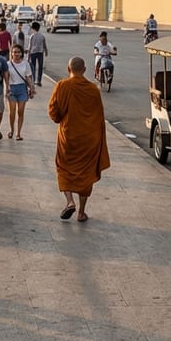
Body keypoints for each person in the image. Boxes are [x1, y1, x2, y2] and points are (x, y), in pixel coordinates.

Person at [48, 57, 111, 222]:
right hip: (89, 139)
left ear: (68, 69)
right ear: (84, 69)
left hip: (68, 138)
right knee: (86, 174)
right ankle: (81, 212)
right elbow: (99, 116)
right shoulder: (93, 89)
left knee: (63, 168)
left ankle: (69, 202)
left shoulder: (62, 86)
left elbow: (53, 113)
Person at [5, 44, 36, 141]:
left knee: (20, 112)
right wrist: (7, 88)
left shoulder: (25, 64)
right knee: (12, 112)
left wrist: (31, 88)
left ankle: (18, 133)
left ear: (21, 53)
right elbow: (6, 78)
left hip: (22, 88)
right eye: (14, 52)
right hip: (12, 89)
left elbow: (28, 77)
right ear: (11, 53)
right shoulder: (8, 64)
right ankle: (11, 130)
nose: (16, 54)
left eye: (18, 52)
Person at [27, 21, 48, 86]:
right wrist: (46, 51)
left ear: (33, 28)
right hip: (40, 52)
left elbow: (30, 46)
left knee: (33, 66)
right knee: (40, 67)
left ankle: (33, 80)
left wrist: (28, 56)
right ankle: (39, 81)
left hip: (33, 52)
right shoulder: (42, 36)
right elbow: (44, 44)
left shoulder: (32, 36)